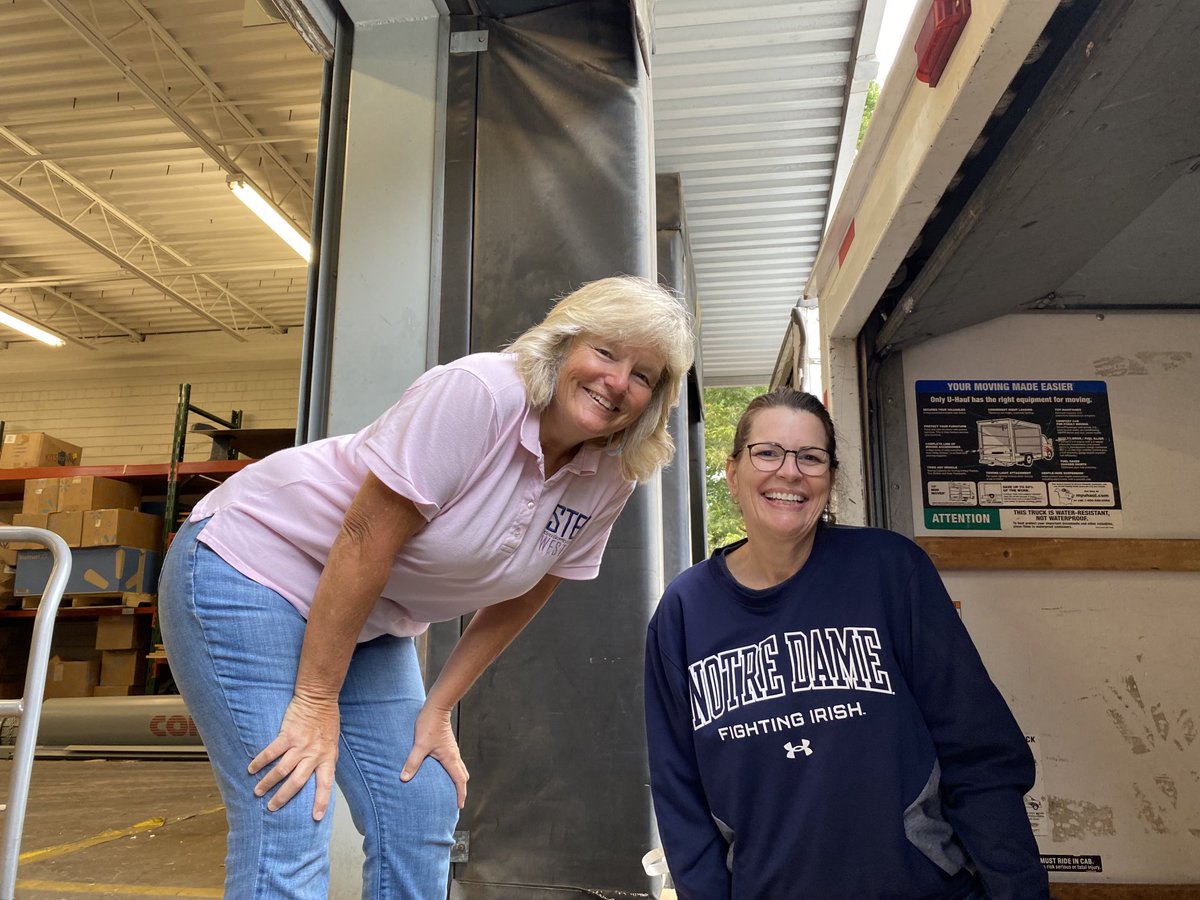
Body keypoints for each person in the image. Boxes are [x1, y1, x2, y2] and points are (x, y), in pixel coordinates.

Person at [158, 275, 694, 899]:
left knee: (421, 802)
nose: (618, 381)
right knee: (292, 800)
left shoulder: (612, 474)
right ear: (561, 346)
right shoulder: (482, 392)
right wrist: (314, 702)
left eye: (643, 375)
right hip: (255, 564)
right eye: (605, 353)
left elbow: (527, 592)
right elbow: (364, 538)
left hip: (373, 618)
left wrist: (438, 708)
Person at [644, 388, 1048, 900]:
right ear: (732, 472)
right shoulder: (684, 611)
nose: (789, 472)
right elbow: (679, 798)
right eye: (767, 452)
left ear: (830, 479)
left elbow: (979, 751)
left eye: (810, 458)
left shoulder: (889, 571)